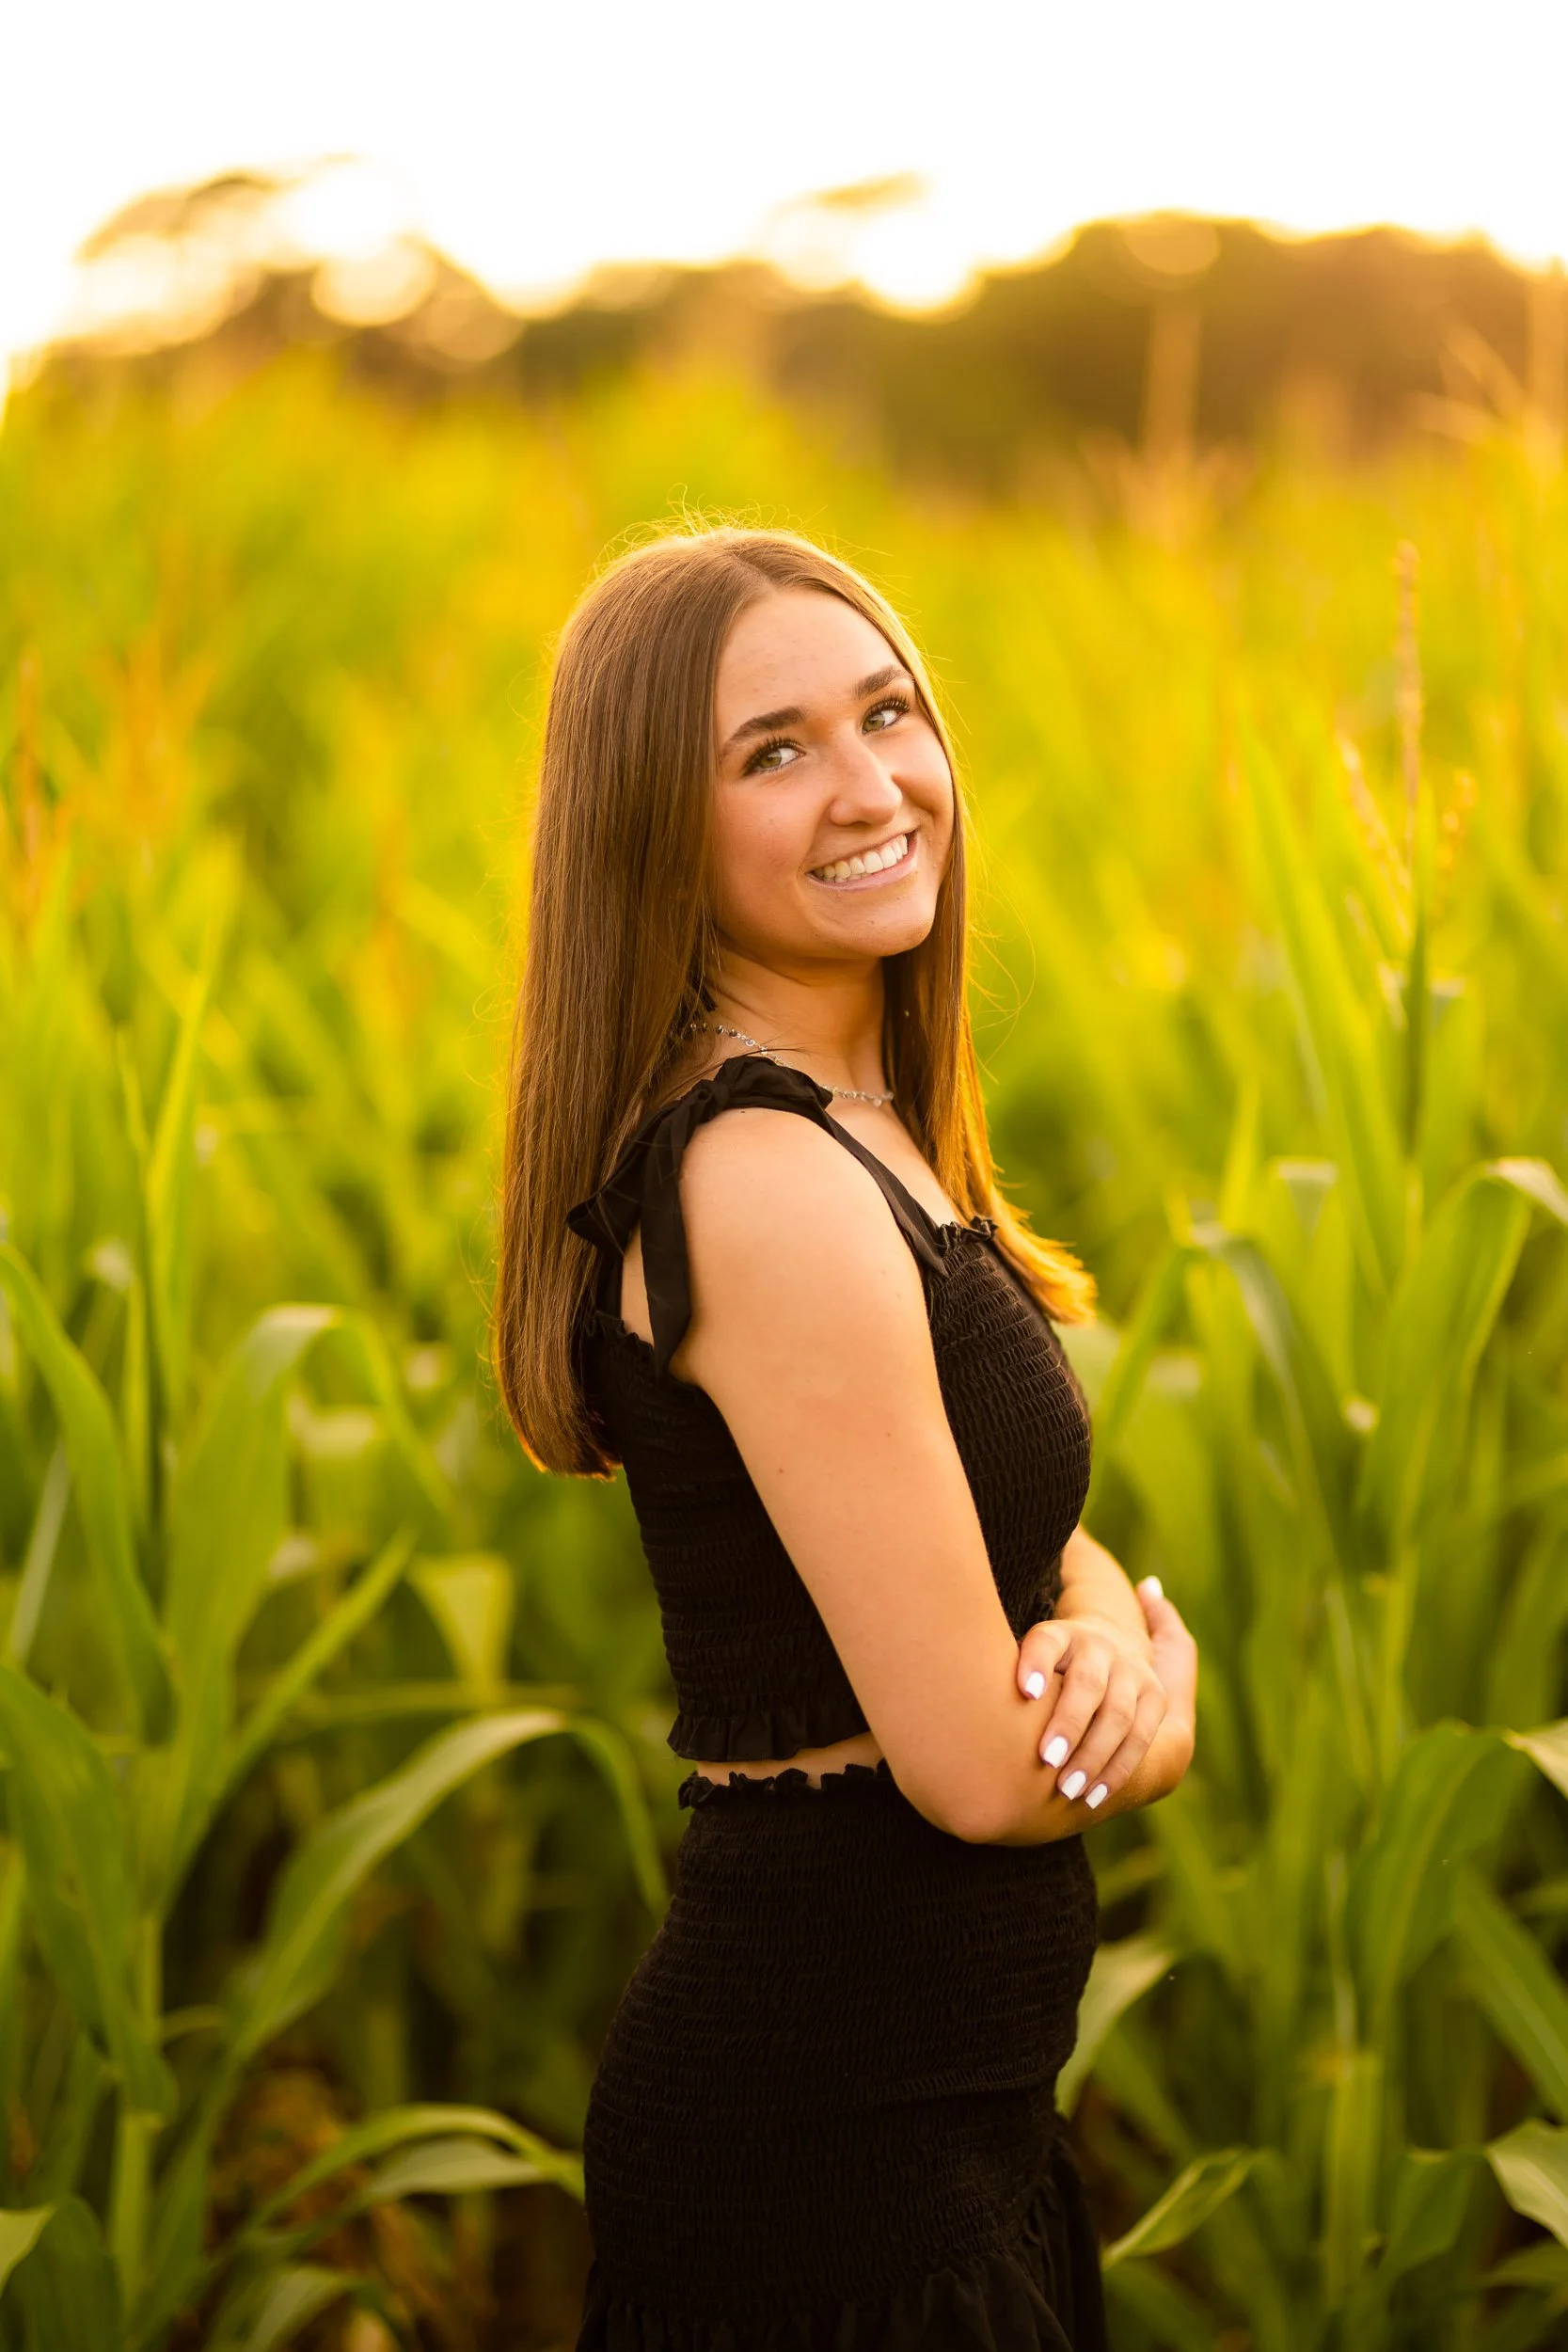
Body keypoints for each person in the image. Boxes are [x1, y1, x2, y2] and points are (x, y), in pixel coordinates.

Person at [492, 524, 1198, 2349]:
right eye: (773, 749)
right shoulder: (761, 1179)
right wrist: (1159, 1713)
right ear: (657, 822)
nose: (871, 784)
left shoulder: (860, 1126)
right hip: (821, 2177)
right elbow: (978, 1768)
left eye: (887, 712)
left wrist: (1103, 1623)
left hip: (936, 2128)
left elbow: (1022, 1541)